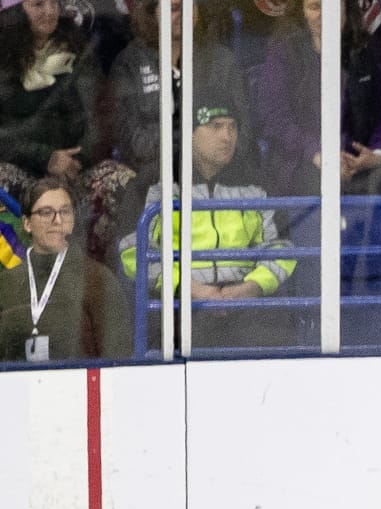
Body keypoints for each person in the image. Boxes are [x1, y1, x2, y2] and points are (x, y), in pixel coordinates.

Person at [118, 103, 298, 348]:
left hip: (247, 303)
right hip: (179, 303)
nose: (227, 136)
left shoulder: (257, 183)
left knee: (276, 336)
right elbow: (131, 252)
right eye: (215, 127)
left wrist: (251, 288)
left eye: (232, 127)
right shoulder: (154, 182)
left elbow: (282, 247)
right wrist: (189, 288)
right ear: (190, 133)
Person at [99, 0, 250, 249]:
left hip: (217, 171)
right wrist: (187, 147)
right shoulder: (130, 63)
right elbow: (128, 136)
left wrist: (205, 154)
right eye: (176, 7)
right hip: (151, 173)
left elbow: (243, 132)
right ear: (153, 13)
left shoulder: (223, 61)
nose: (184, 15)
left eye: (191, 7)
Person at [253, 0, 381, 198]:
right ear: (302, 13)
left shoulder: (367, 50)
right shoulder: (284, 54)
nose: (324, 15)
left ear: (346, 11)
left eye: (332, 7)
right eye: (315, 7)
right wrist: (317, 154)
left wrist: (377, 152)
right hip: (305, 164)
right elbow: (275, 119)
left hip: (361, 166)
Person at [0, 176, 129, 360]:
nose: (57, 220)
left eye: (65, 212)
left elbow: (119, 357)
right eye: (46, 212)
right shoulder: (6, 284)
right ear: (27, 223)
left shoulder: (98, 280)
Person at [0, 0, 99, 204]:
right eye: (38, 4)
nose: (50, 11)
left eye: (54, 3)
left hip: (74, 170)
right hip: (22, 168)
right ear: (15, 13)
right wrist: (46, 159)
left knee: (119, 178)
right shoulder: (4, 62)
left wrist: (74, 162)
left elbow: (97, 118)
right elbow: (5, 136)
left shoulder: (79, 52)